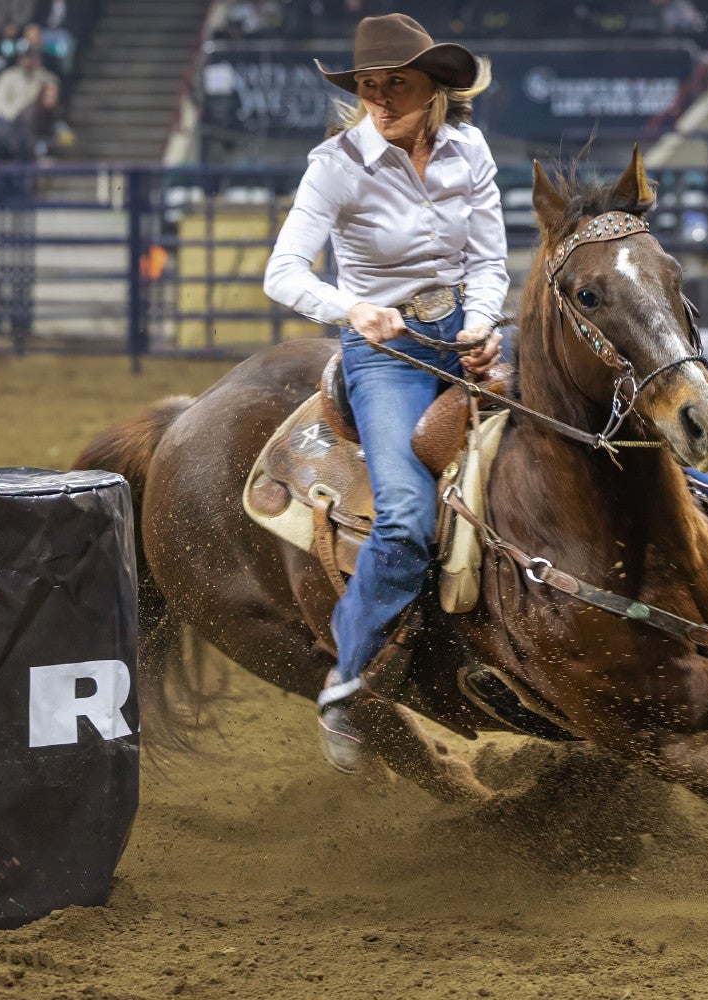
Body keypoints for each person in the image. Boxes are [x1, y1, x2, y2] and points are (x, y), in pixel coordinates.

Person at [263, 13, 507, 773]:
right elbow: (284, 272)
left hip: (463, 342)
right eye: (368, 86)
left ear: (434, 88)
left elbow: (490, 258)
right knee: (404, 515)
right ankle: (348, 676)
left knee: (596, 425)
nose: (379, 98)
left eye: (395, 84)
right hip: (389, 356)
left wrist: (486, 323)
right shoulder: (337, 164)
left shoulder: (469, 149)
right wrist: (352, 309)